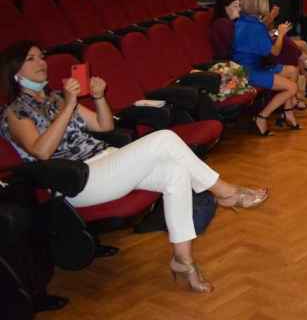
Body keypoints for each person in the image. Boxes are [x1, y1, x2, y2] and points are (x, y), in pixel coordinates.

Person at [0, 42, 268, 294]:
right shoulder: (15, 112)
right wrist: (70, 106)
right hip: (75, 179)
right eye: (30, 59)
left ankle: (183, 260)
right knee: (165, 139)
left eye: (41, 56)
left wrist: (99, 97)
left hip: (105, 160)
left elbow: (105, 126)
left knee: (175, 173)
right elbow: (41, 151)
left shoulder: (58, 98)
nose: (41, 62)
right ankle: (224, 192)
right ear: (15, 72)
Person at [232, 0, 305, 135]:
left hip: (245, 67)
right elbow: (275, 52)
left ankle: (288, 113)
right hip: (248, 72)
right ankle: (261, 117)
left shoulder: (243, 20)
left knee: (292, 70)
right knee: (292, 88)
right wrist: (282, 34)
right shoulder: (255, 26)